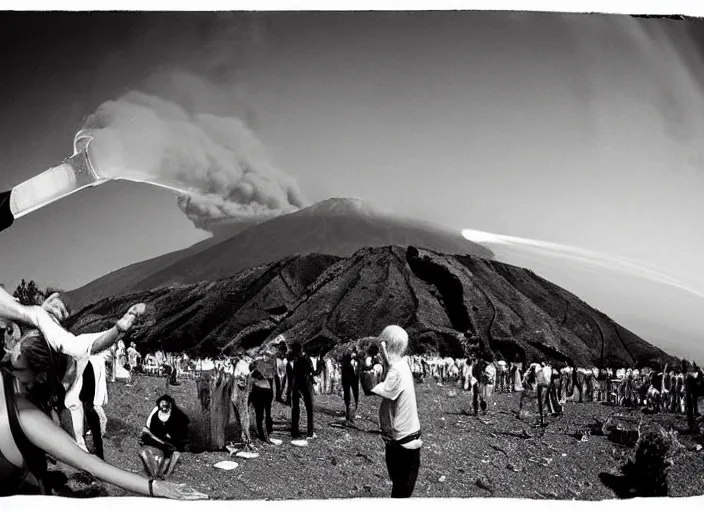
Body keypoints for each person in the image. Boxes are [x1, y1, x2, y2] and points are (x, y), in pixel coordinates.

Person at [0, 326, 206, 499]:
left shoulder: (20, 399)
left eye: (13, 360)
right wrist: (155, 487)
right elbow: (88, 463)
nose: (8, 361)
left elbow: (86, 461)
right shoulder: (27, 415)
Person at [368, 325, 422, 499]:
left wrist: (367, 371)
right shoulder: (402, 364)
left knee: (400, 490)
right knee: (403, 488)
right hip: (410, 435)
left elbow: (374, 389)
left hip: (402, 440)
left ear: (385, 346)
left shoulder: (395, 372)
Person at [139, 395, 190, 480]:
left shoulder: (176, 413)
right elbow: (148, 425)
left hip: (170, 439)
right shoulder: (156, 411)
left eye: (166, 405)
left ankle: (163, 472)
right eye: (161, 404)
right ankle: (156, 471)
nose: (163, 407)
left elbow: (185, 423)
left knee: (172, 449)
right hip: (155, 436)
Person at [288, 341, 318, 440]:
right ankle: (310, 432)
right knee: (309, 408)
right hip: (306, 383)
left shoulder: (293, 360)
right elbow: (311, 371)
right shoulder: (306, 359)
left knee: (295, 408)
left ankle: (295, 431)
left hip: (296, 384)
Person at [249, 352, 276, 444]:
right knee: (261, 414)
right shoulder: (256, 371)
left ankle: (265, 432)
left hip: (264, 392)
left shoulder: (266, 366)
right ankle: (263, 433)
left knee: (263, 413)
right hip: (262, 391)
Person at [340, 346, 361, 427]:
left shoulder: (358, 360)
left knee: (356, 397)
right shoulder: (346, 360)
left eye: (354, 352)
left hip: (355, 381)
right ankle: (348, 416)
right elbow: (343, 366)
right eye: (351, 352)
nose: (353, 354)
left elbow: (360, 368)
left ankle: (353, 414)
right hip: (347, 381)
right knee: (347, 398)